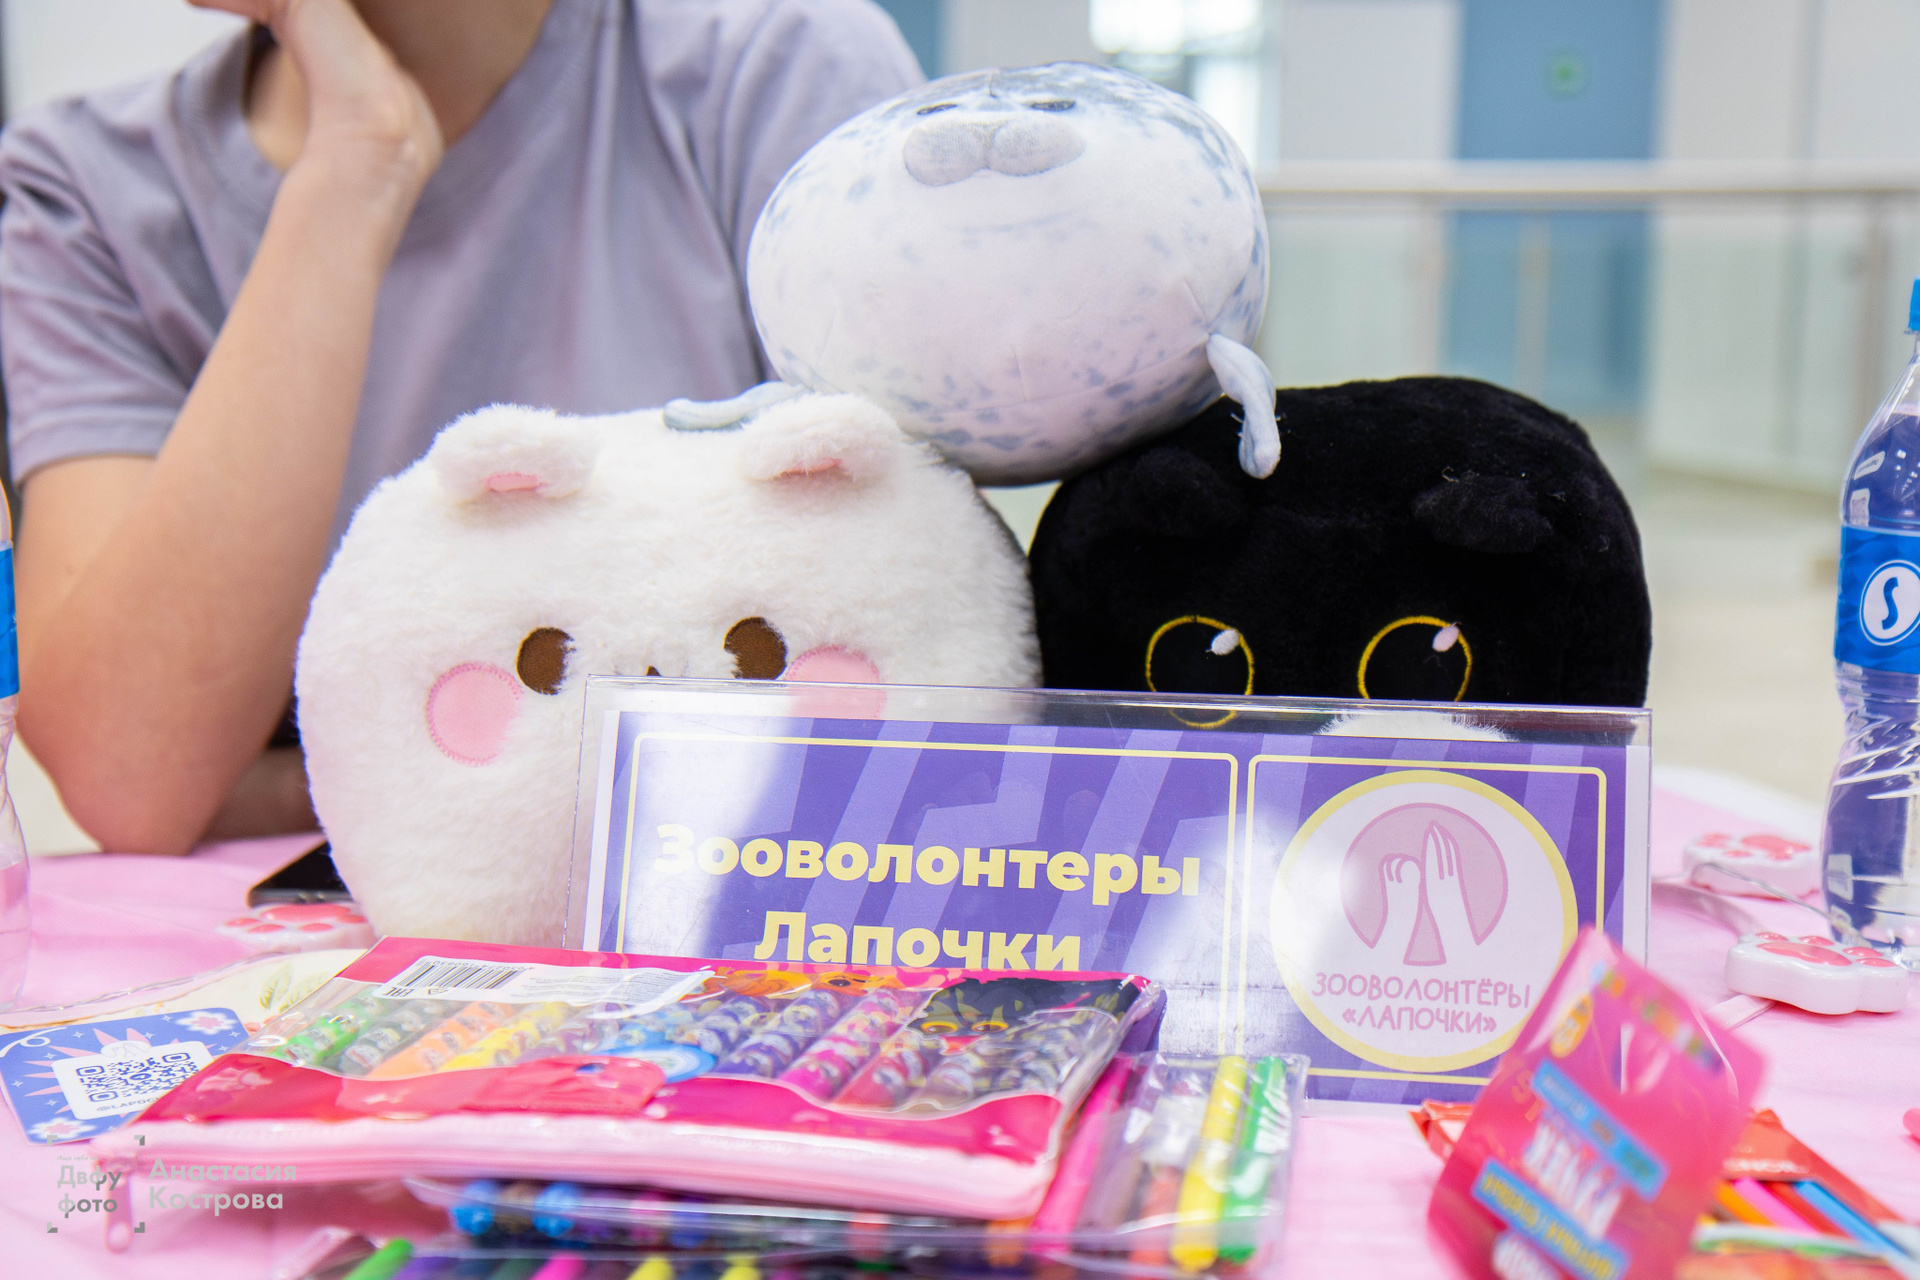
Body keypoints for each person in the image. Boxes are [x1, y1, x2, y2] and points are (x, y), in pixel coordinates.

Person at [0, 0, 921, 854]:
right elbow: (131, 776)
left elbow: (908, 667)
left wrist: (325, 782)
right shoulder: (82, 187)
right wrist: (357, 165)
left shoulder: (778, 72)